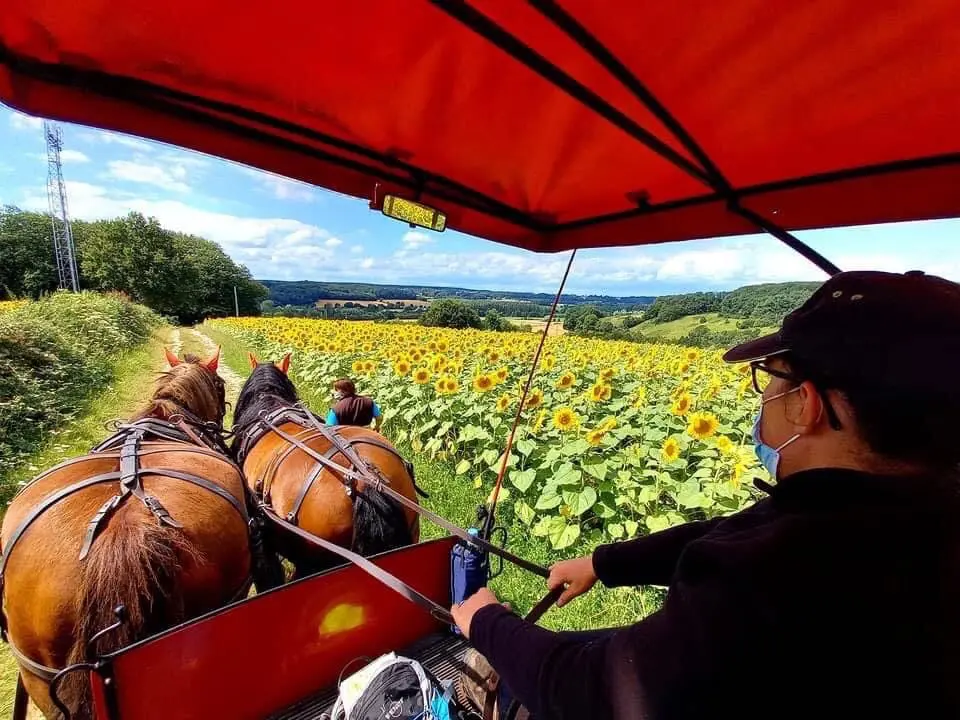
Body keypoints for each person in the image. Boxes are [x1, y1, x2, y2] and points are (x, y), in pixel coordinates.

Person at [451, 270, 960, 720]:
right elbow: (738, 528)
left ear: (806, 404)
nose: (763, 397)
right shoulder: (905, 513)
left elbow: (596, 694)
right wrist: (604, 563)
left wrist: (487, 622)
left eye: (770, 377)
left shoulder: (771, 575)